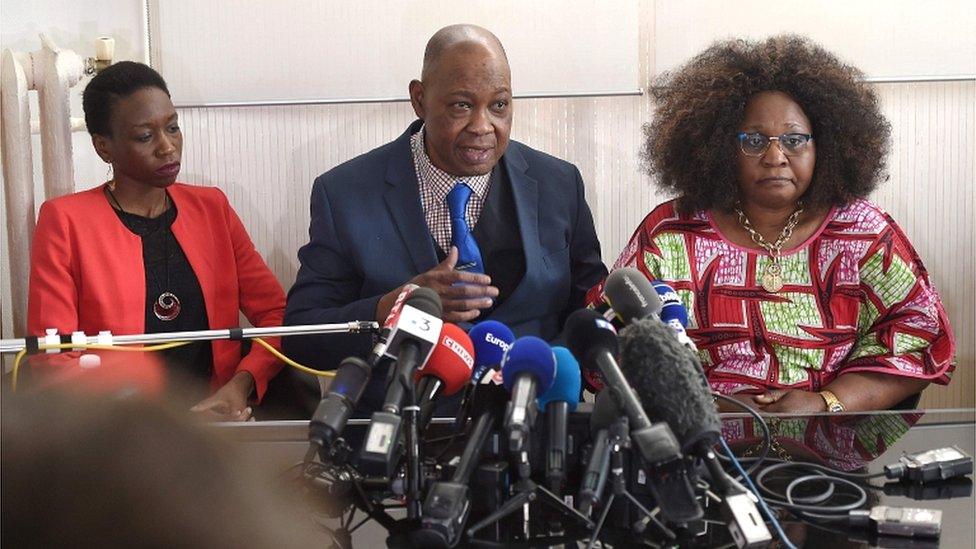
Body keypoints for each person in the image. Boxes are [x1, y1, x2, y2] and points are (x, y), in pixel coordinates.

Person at [596, 35, 954, 413]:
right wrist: (705, 406)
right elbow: (608, 340)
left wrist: (825, 402)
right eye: (753, 140)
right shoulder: (671, 232)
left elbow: (919, 335)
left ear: (826, 146)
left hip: (826, 452)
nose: (775, 156)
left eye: (794, 139)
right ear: (718, 146)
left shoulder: (862, 232)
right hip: (701, 446)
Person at [284, 24, 607, 413]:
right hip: (400, 439)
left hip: (536, 431)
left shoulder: (559, 183)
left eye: (499, 105)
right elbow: (303, 336)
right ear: (419, 99)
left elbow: (588, 313)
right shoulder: (344, 193)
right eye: (462, 105)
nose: (483, 126)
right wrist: (392, 307)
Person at [27, 61, 287, 421]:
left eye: (173, 127)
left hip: (221, 422)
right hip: (119, 430)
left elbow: (280, 316)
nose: (168, 147)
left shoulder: (212, 208)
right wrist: (156, 424)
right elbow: (52, 358)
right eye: (145, 136)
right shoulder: (66, 221)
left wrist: (240, 385)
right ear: (104, 147)